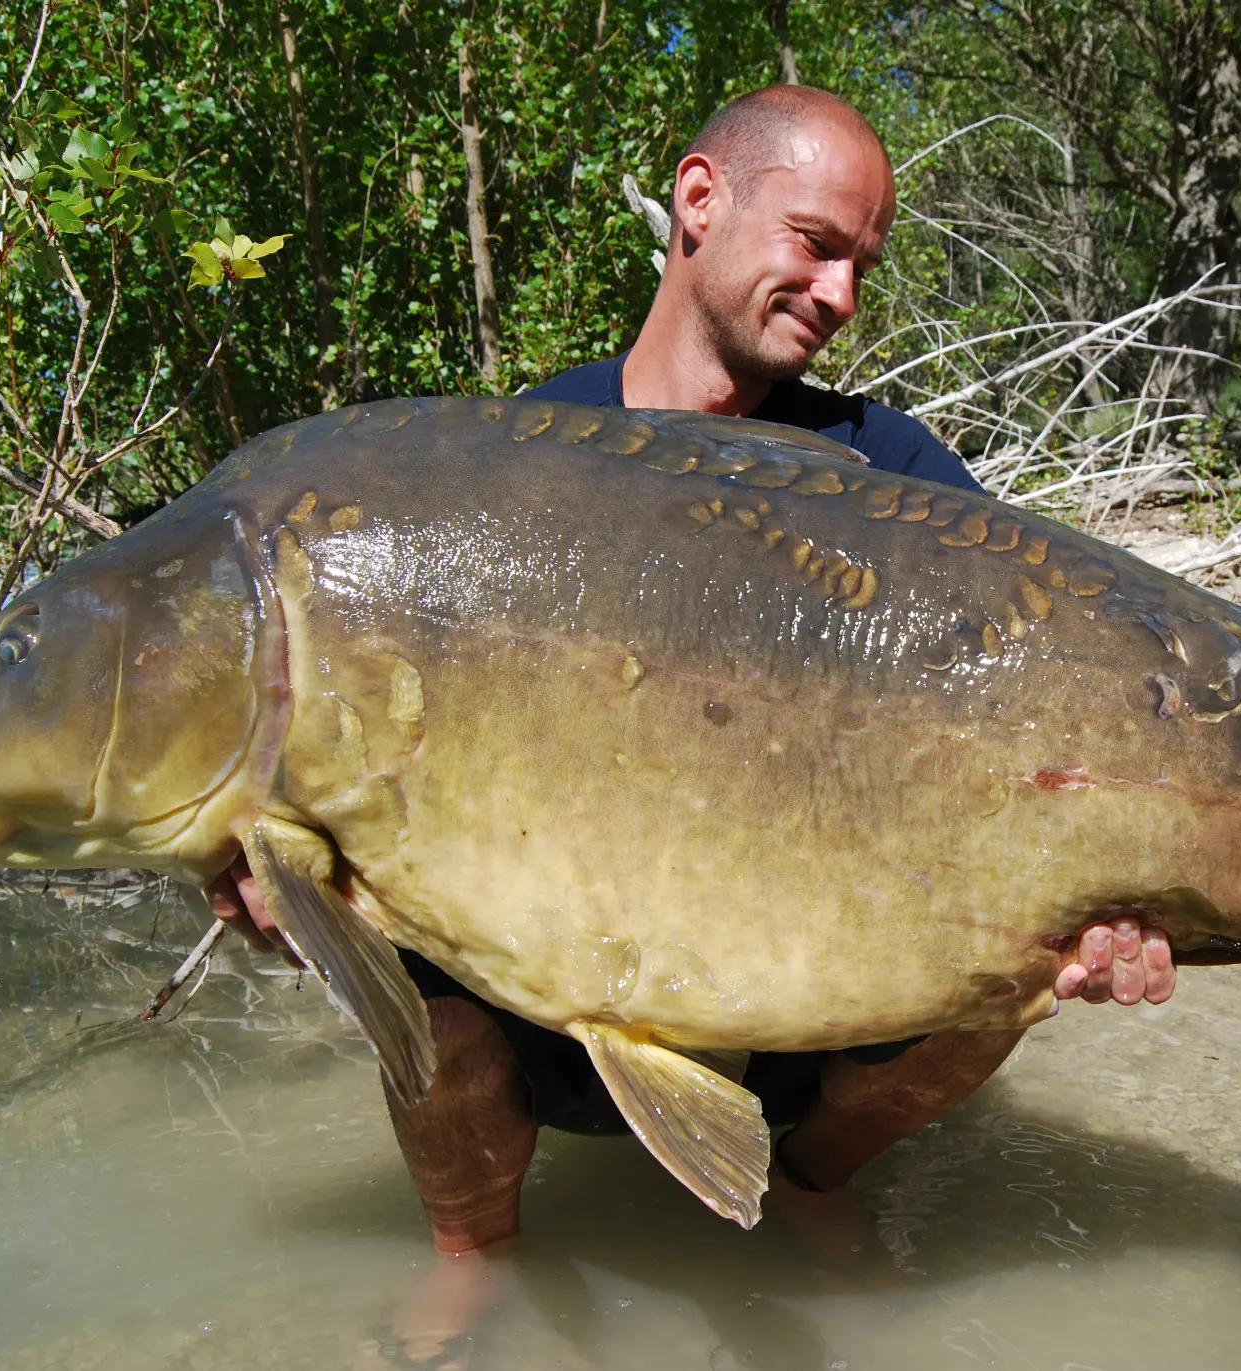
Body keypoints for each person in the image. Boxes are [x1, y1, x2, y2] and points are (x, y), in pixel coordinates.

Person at [210, 85, 1177, 1265]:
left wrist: (1106, 885)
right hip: (551, 984)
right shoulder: (514, 456)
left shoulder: (895, 473)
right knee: (418, 994)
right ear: (700, 201)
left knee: (1008, 986)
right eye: (818, 248)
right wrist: (284, 879)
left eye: (862, 265)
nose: (843, 297)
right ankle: (474, 1260)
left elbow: (1017, 715)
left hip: (813, 989)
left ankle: (813, 1176)